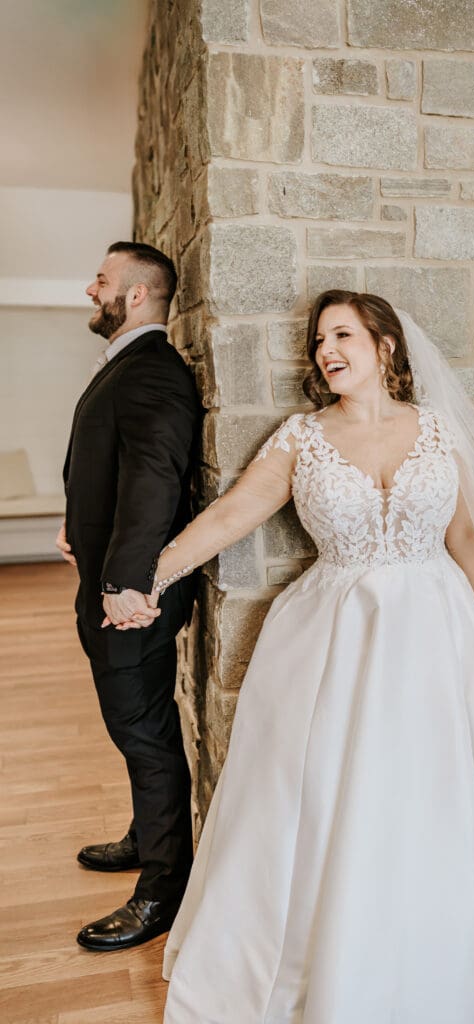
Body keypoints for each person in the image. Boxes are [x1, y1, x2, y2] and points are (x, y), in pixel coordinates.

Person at [122, 291, 474, 1023]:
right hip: (339, 635)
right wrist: (151, 574)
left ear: (385, 348)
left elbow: (467, 539)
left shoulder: (438, 430)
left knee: (456, 786)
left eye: (344, 334)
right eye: (320, 339)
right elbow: (232, 514)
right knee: (337, 788)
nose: (327, 350)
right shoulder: (301, 436)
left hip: (441, 631)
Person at [57, 241, 201, 951]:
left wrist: (124, 582)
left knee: (144, 735)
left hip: (129, 596)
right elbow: (110, 466)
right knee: (131, 725)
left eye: (103, 280)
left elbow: (154, 480)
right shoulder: (129, 365)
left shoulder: (153, 372)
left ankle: (162, 890)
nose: (92, 289)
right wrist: (77, 525)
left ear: (137, 295)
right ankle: (148, 836)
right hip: (108, 578)